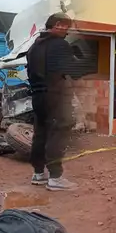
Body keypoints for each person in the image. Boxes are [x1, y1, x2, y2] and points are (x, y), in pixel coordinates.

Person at [27, 12, 77, 189]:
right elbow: (70, 71)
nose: (64, 29)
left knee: (40, 132)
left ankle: (38, 173)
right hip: (56, 95)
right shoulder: (61, 45)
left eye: (66, 26)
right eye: (61, 25)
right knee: (58, 132)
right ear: (53, 25)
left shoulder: (34, 46)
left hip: (37, 96)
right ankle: (55, 177)